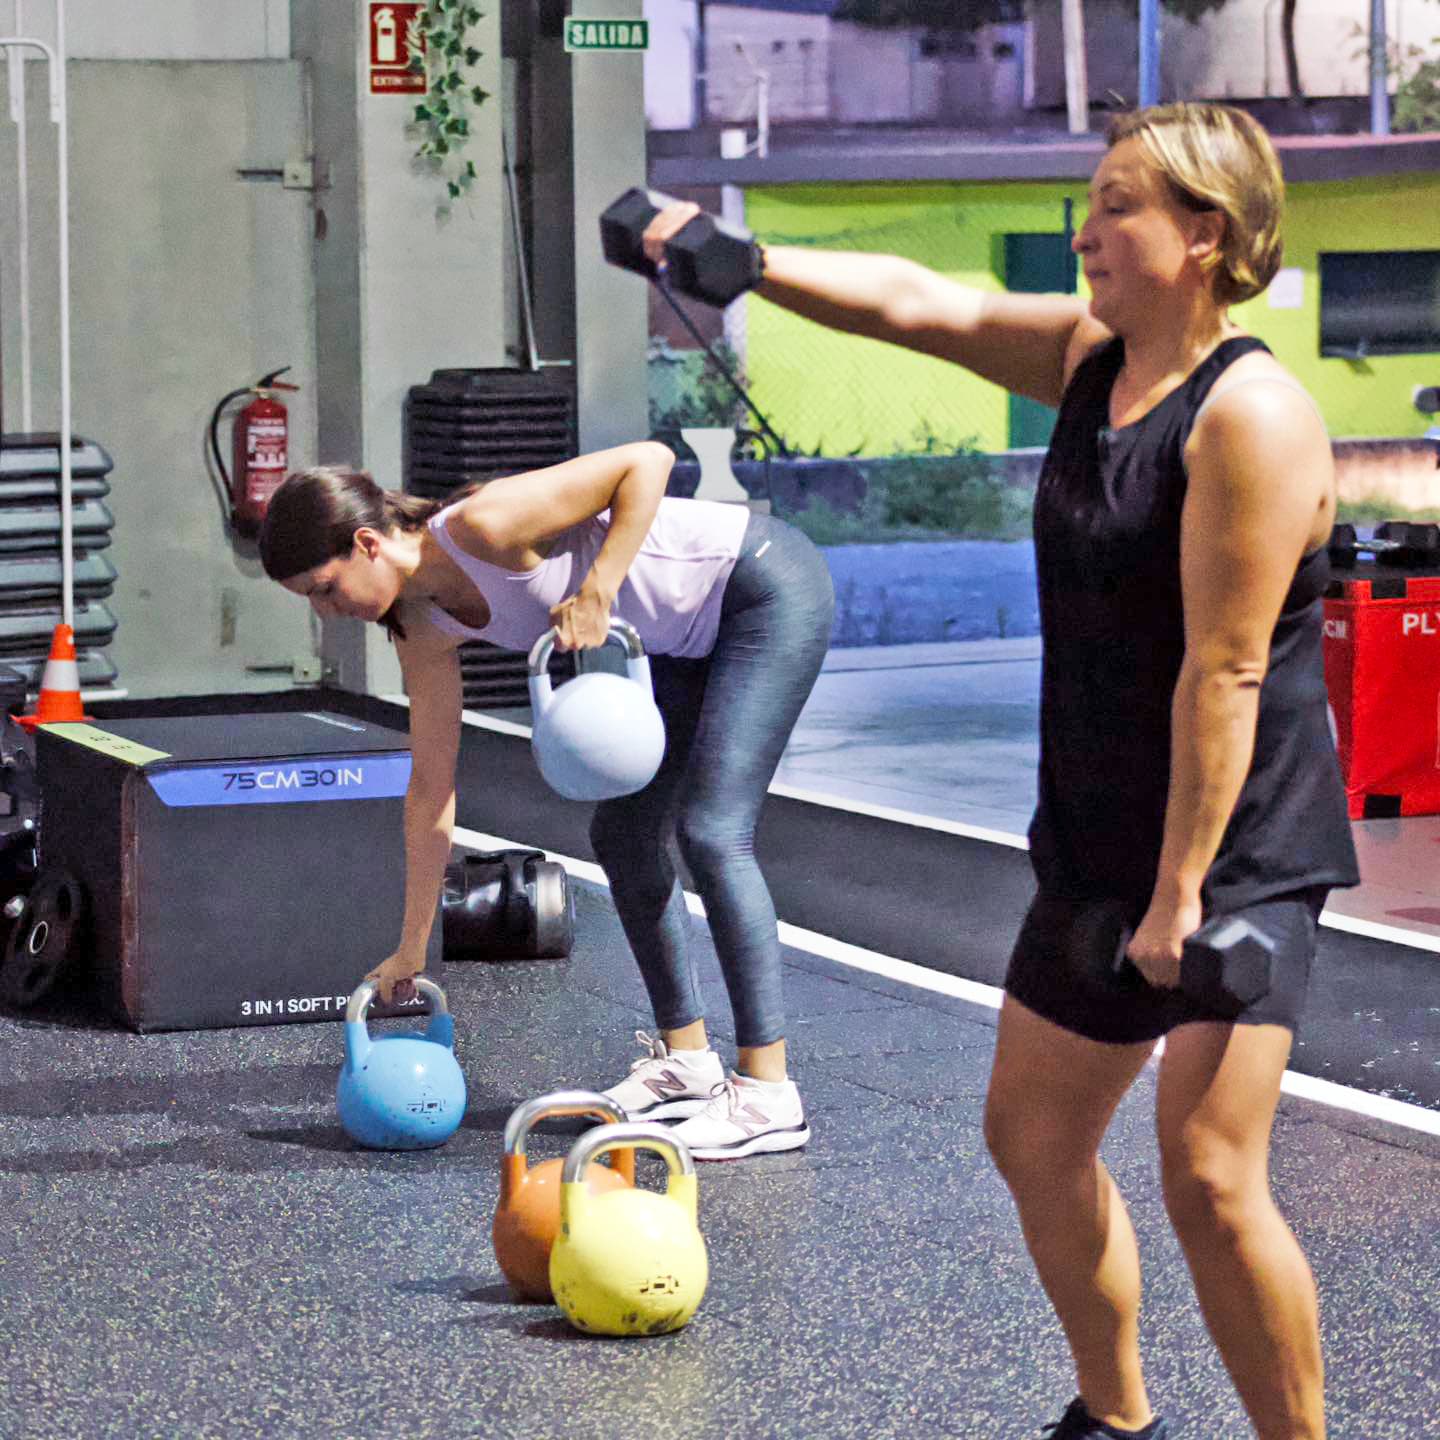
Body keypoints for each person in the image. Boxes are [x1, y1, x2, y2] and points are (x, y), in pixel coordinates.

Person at [643, 102, 1356, 1436]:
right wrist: (745, 263)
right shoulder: (1097, 362)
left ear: (1205, 235)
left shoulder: (1250, 417)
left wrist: (1179, 894)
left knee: (1207, 1171)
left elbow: (1228, 674)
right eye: (1090, 202)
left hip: (1236, 853)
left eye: (1120, 206)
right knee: (1034, 1141)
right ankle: (1115, 1417)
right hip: (1095, 837)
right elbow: (925, 304)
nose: (1087, 233)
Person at [258, 444, 834, 1161]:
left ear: (367, 543)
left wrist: (600, 586)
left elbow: (647, 462)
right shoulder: (423, 628)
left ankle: (768, 1094)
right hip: (690, 640)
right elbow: (432, 790)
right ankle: (686, 1061)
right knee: (624, 834)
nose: (325, 611)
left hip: (762, 585)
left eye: (323, 587)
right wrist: (412, 946)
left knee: (712, 834)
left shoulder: (483, 526)